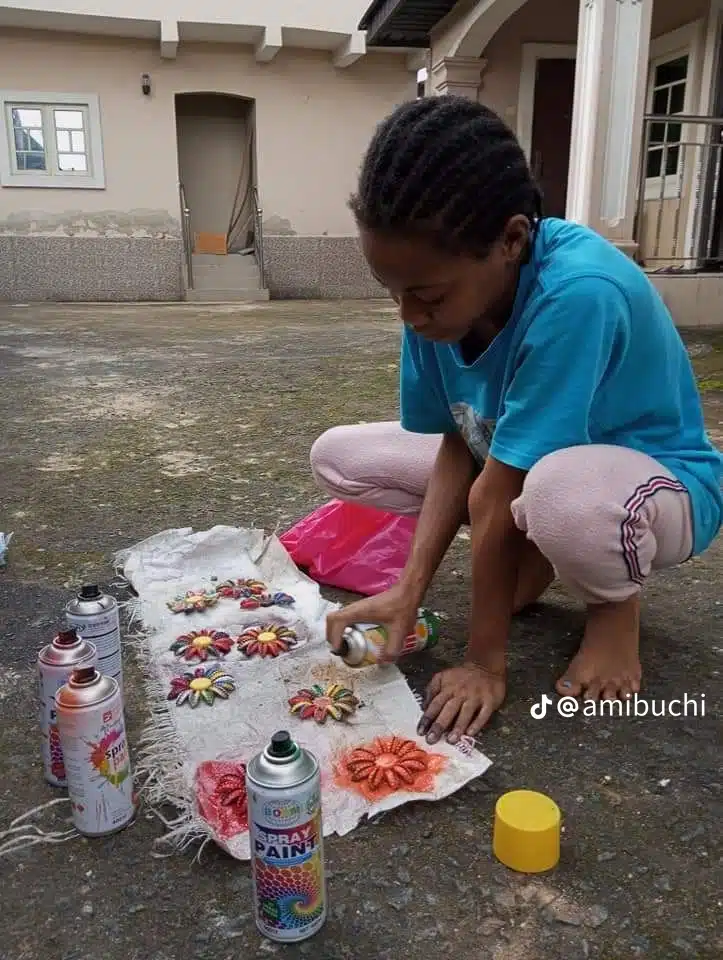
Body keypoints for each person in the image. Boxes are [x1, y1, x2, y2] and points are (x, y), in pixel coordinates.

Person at [312, 95, 722, 747]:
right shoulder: (436, 300)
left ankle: (614, 606)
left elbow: (494, 489)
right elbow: (459, 442)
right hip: (526, 463)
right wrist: (407, 593)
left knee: (562, 498)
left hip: (649, 486)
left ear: (511, 240)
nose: (408, 316)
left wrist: (483, 663)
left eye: (425, 296)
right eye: (394, 292)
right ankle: (532, 554)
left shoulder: (578, 293)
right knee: (338, 456)